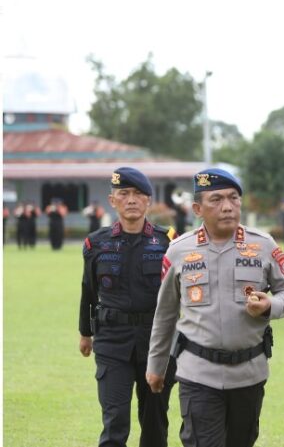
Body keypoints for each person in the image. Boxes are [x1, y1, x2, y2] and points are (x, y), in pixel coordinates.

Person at [146, 168, 284, 447]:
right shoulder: (179, 250)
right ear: (197, 208)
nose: (227, 206)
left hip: (249, 372)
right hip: (197, 372)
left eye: (233, 198)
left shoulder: (263, 246)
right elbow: (165, 314)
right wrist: (156, 366)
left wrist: (270, 305)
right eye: (216, 199)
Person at [78, 167, 177, 447]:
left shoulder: (168, 241)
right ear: (113, 201)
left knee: (155, 422)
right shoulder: (96, 243)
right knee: (115, 422)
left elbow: (179, 293)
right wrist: (85, 333)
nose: (131, 200)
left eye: (138, 194)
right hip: (112, 342)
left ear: (148, 201)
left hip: (157, 342)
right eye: (124, 194)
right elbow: (88, 291)